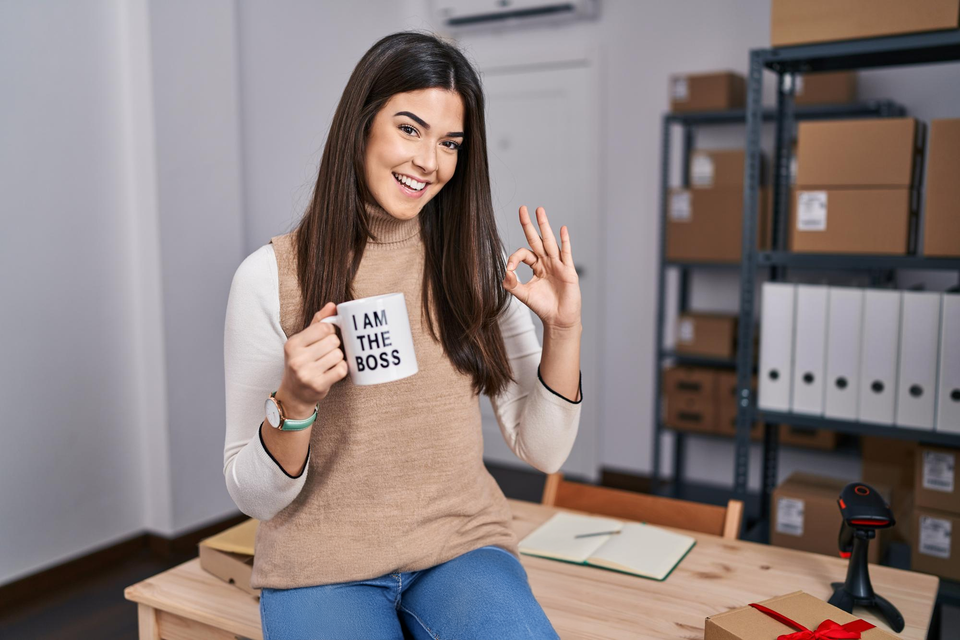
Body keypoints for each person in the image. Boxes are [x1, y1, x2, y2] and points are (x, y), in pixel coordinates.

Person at [223, 30, 583, 640]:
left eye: (450, 143)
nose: (429, 162)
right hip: (322, 564)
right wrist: (295, 404)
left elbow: (544, 451)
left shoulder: (474, 261)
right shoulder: (270, 277)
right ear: (361, 126)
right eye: (409, 130)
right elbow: (255, 498)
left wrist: (564, 329)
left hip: (461, 545)